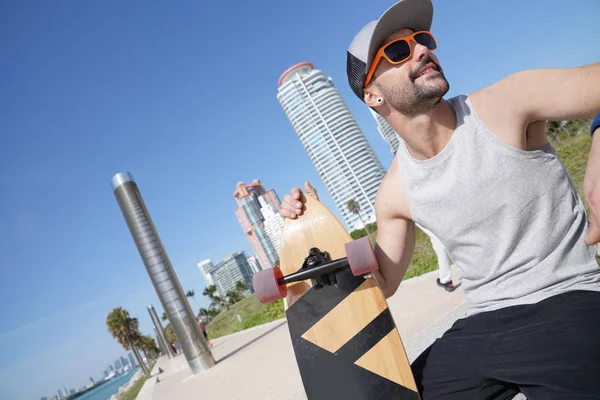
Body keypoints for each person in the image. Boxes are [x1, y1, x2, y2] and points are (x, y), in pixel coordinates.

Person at [279, 0, 600, 398]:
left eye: (423, 39)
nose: (421, 50)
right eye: (398, 51)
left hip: (567, 300)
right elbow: (385, 283)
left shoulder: (506, 104)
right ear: (374, 96)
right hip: (483, 323)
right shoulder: (394, 192)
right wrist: (308, 239)